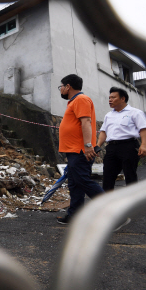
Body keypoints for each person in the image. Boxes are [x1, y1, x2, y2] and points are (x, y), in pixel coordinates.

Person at [57, 74, 104, 224]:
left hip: (80, 151)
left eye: (61, 87)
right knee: (75, 183)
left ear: (68, 86)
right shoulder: (73, 102)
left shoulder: (81, 99)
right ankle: (74, 216)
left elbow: (86, 123)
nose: (61, 90)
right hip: (73, 151)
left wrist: (88, 146)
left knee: (82, 181)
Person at [97, 87, 146, 191]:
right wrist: (97, 146)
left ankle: (133, 202)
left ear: (122, 99)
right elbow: (103, 132)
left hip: (128, 146)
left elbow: (143, 130)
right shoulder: (109, 115)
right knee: (108, 176)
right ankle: (107, 202)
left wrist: (143, 145)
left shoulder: (135, 112)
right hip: (111, 148)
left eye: (113, 97)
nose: (110, 100)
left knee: (130, 176)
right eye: (109, 98)